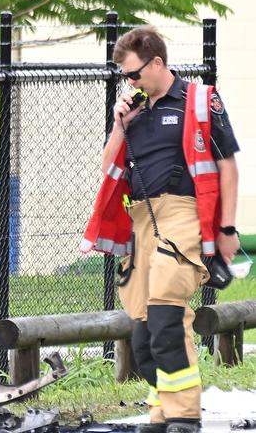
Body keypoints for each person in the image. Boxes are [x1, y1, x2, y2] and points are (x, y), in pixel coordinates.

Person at [80, 26, 240, 433]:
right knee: (143, 335)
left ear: (156, 63)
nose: (129, 83)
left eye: (133, 74)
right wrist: (120, 123)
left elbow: (227, 166)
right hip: (140, 222)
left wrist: (226, 227)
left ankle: (184, 414)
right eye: (124, 77)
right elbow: (107, 169)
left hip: (183, 214)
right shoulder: (134, 111)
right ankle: (161, 411)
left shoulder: (199, 101)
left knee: (167, 317)